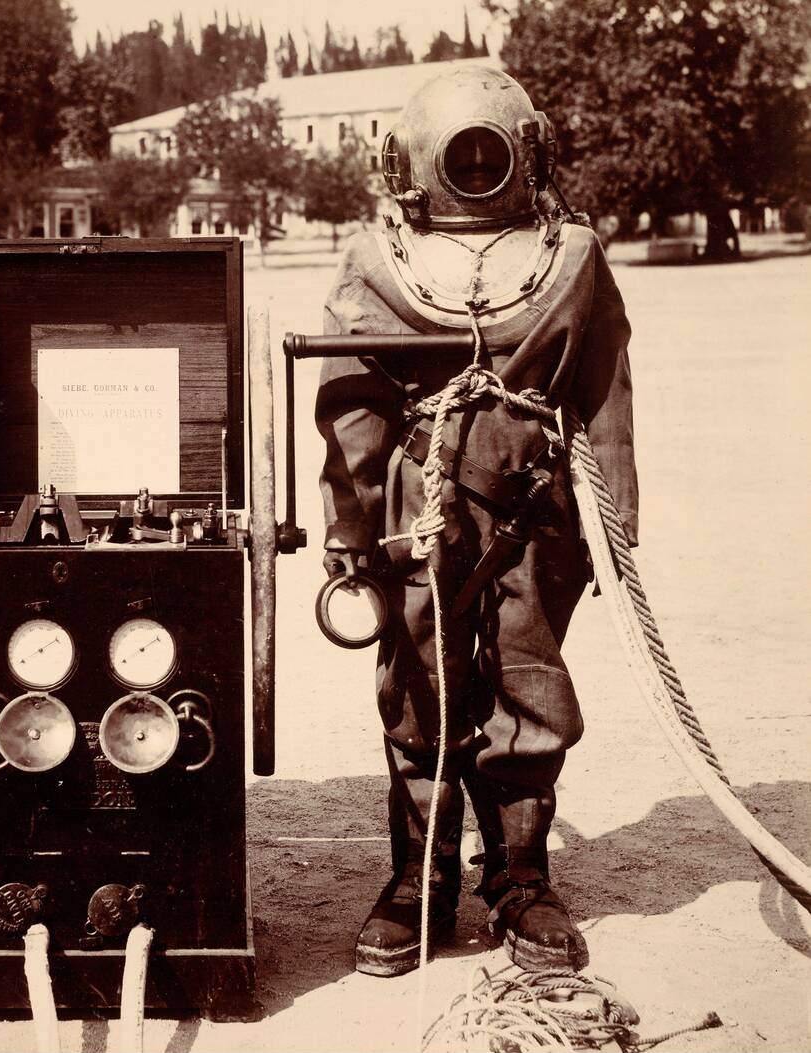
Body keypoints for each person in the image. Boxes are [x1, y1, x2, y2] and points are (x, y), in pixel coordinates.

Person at [314, 68, 637, 977]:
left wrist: (616, 523)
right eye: (462, 148)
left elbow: (604, 386)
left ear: (527, 147)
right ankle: (419, 881)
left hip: (537, 513)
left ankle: (521, 878)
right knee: (420, 684)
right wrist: (351, 528)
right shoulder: (378, 263)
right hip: (421, 519)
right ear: (408, 160)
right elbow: (349, 405)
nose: (477, 159)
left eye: (493, 147)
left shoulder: (569, 255)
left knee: (531, 684)